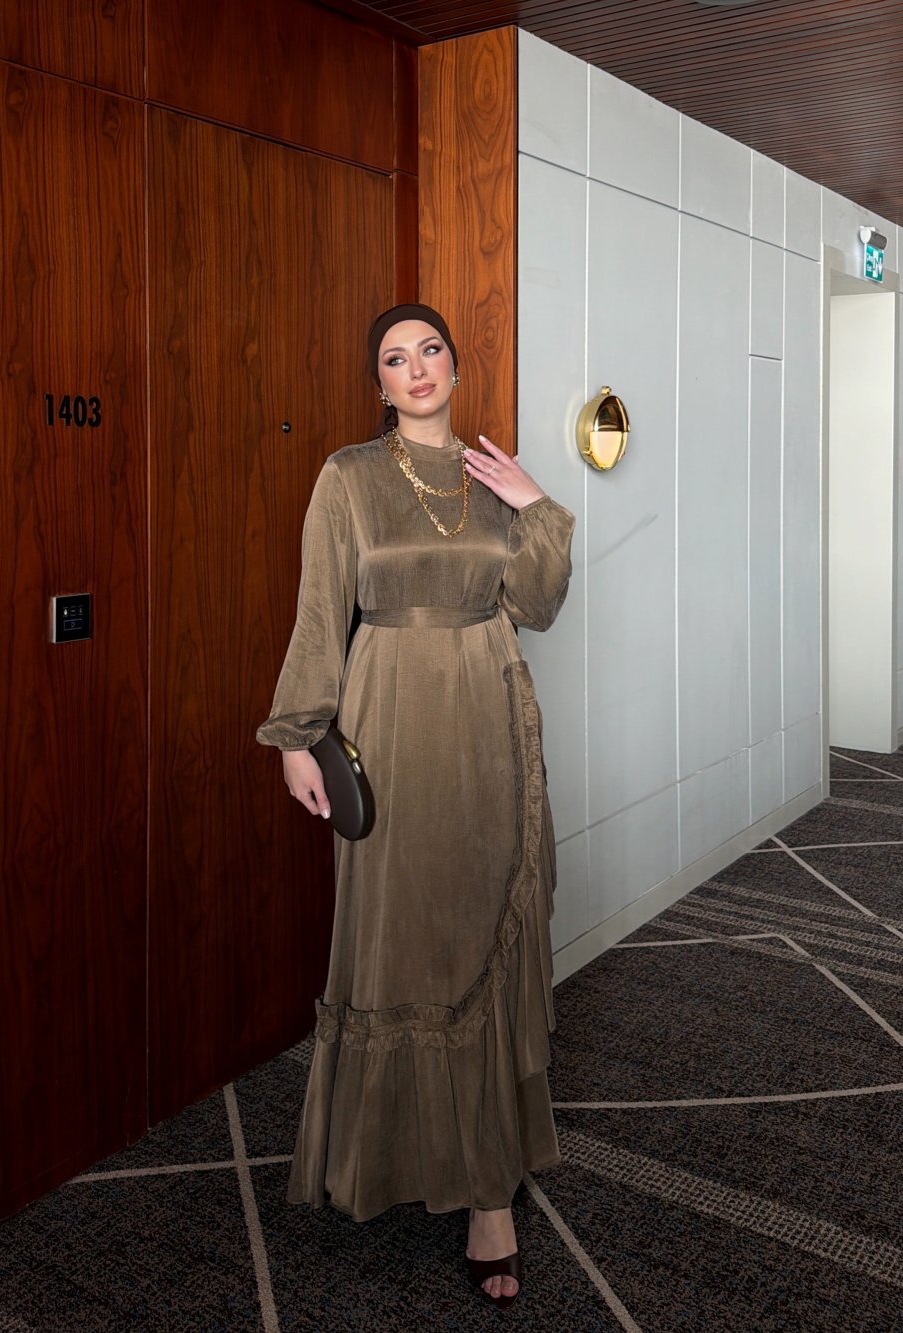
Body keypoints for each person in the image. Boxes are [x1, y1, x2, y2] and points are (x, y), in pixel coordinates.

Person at [257, 303, 575, 1310]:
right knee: (399, 935)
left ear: (452, 365)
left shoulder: (489, 477)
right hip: (387, 717)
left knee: (481, 930)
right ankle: (386, 1155)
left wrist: (535, 504)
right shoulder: (348, 476)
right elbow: (320, 609)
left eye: (430, 349)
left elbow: (538, 605)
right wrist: (297, 735)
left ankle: (489, 1194)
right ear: (381, 385)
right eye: (396, 359)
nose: (417, 368)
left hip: (487, 718)